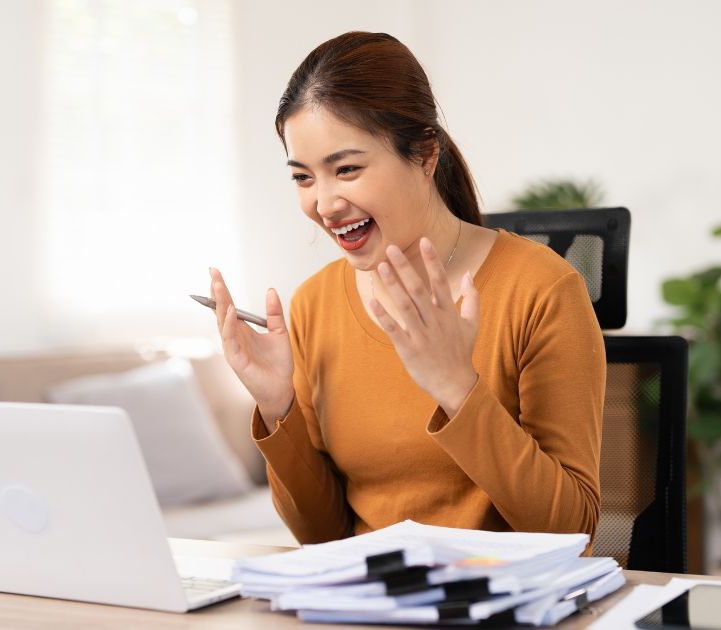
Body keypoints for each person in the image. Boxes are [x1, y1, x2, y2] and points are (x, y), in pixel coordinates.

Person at [207, 31, 605, 545]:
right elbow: (323, 537)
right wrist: (278, 408)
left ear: (424, 155)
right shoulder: (314, 305)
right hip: (371, 609)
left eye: (346, 169)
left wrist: (457, 389)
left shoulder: (541, 290)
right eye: (303, 178)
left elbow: (570, 529)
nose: (324, 204)